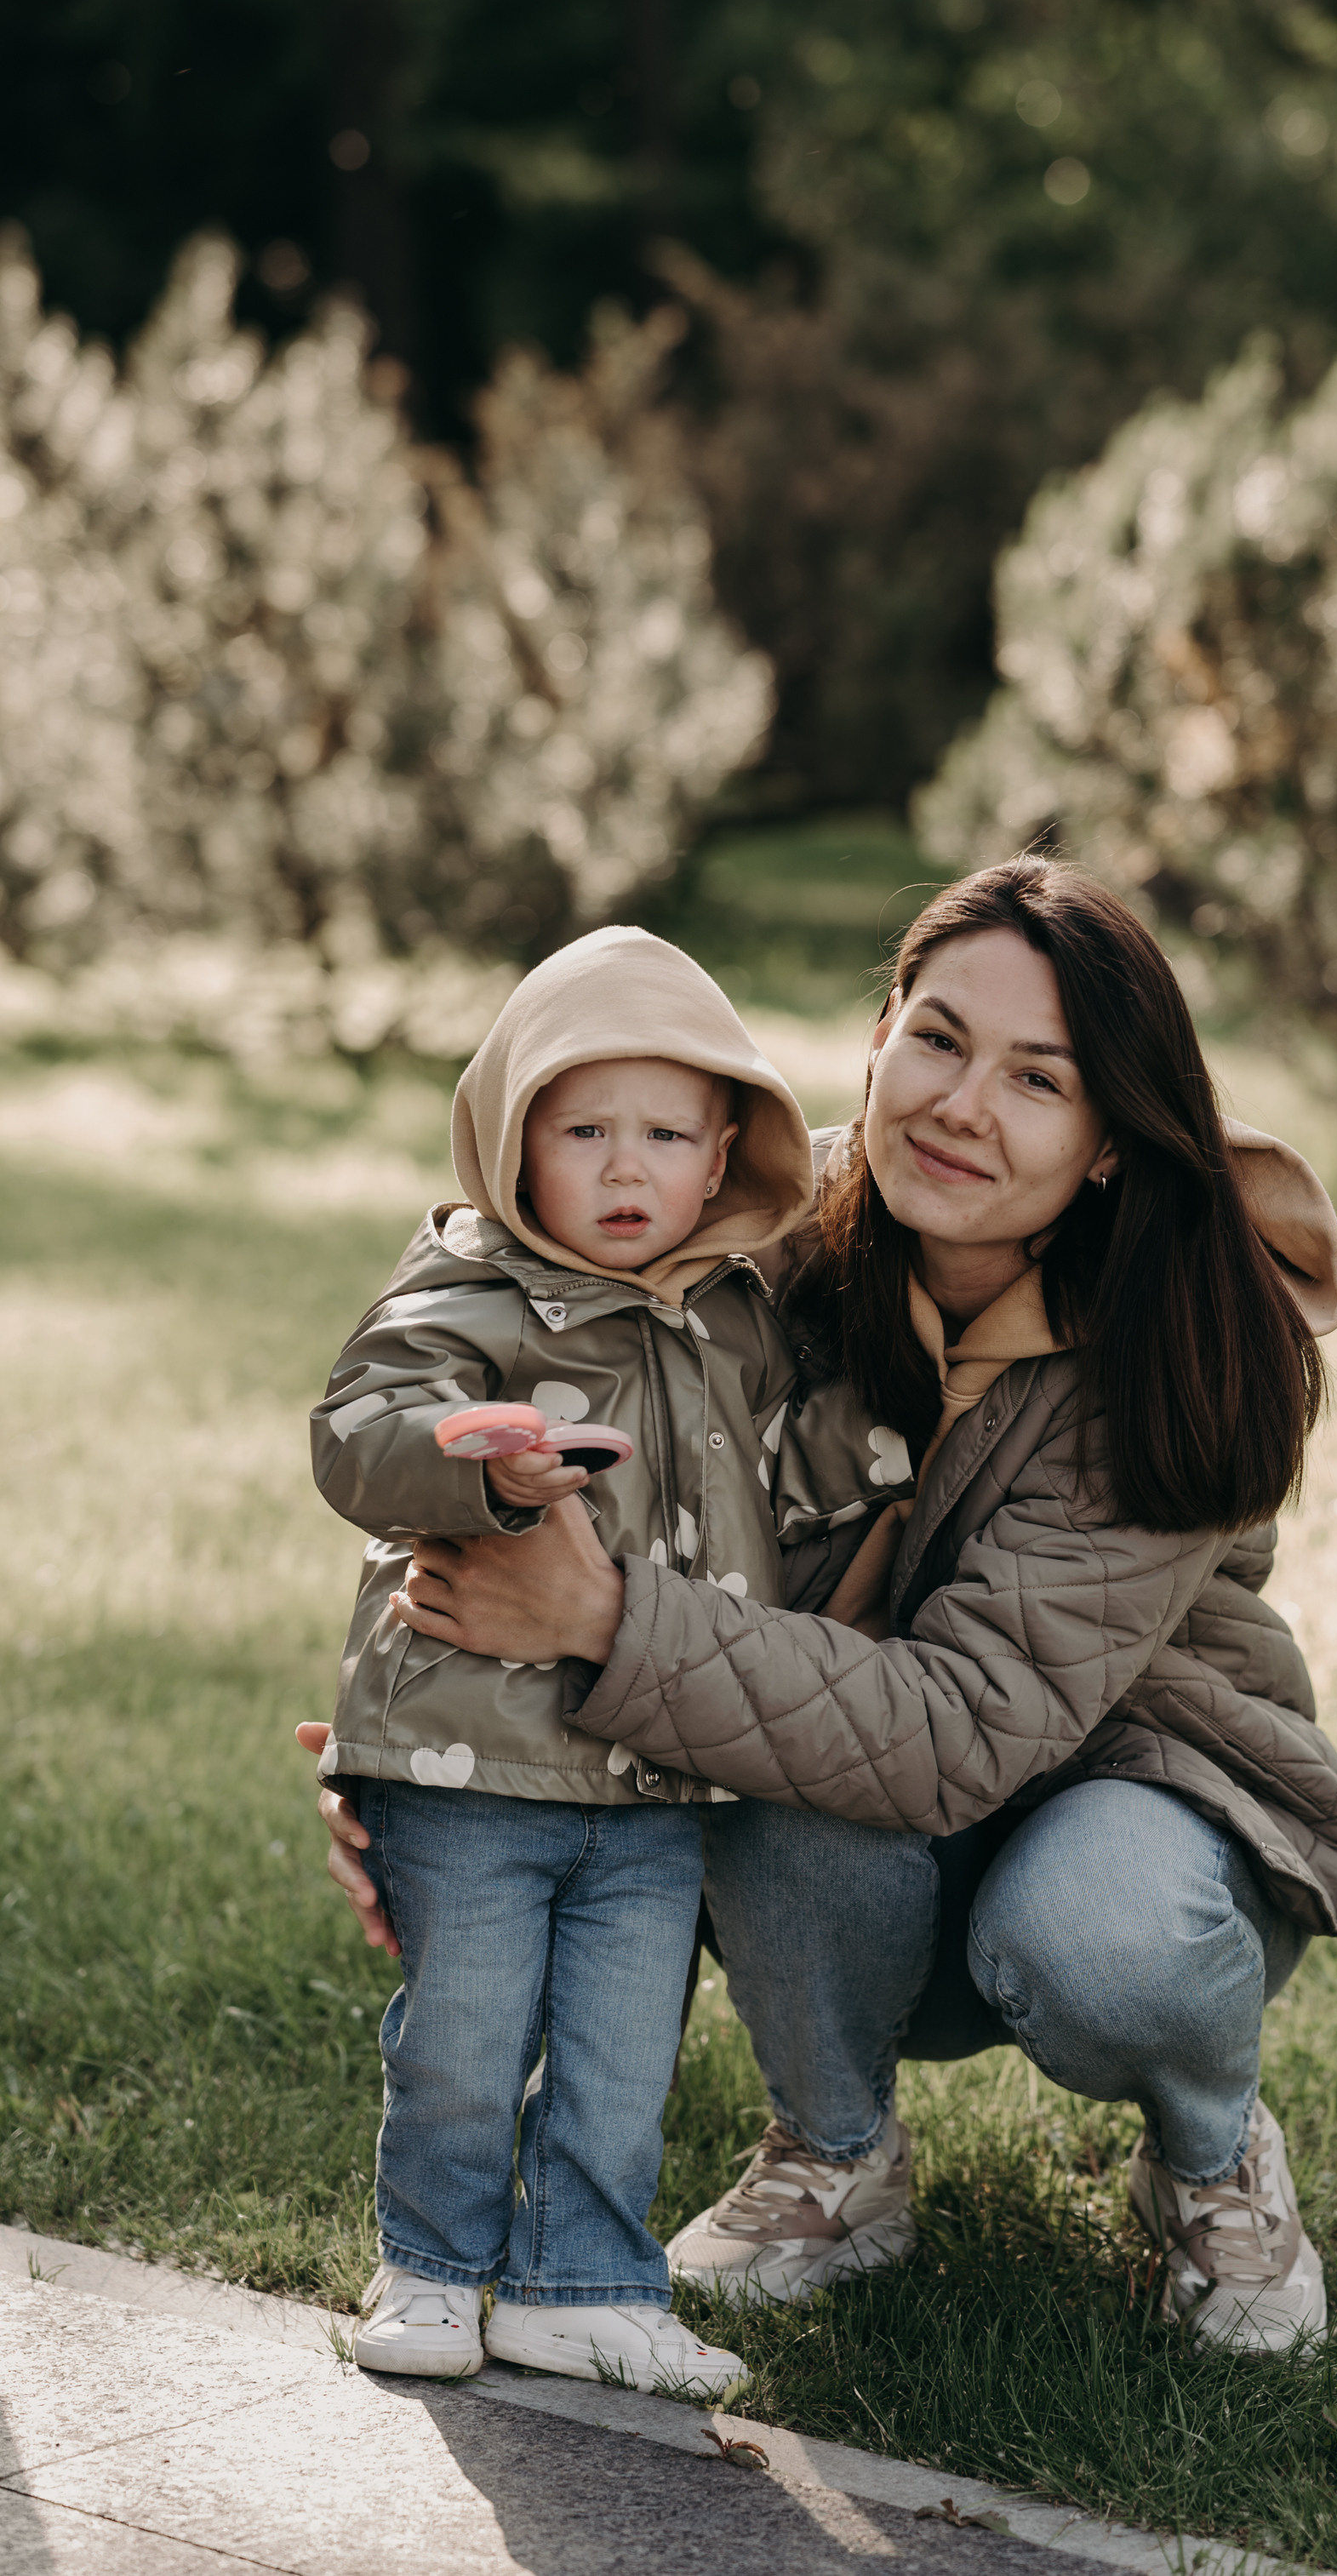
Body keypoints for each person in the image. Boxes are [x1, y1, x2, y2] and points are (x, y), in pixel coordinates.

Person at [312, 860, 1337, 2356]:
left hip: (1129, 1796)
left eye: (1037, 1077)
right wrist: (425, 1766)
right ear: (877, 1036)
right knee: (768, 1751)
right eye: (937, 1039)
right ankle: (836, 2153)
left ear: (1102, 1145)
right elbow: (494, 1424)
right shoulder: (739, 1241)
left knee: (1098, 1932)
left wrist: (605, 1620)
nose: (960, 1104)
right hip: (861, 1827)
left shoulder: (1175, 1337)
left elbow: (951, 1728)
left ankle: (1212, 2160)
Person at [310, 924, 885, 2391]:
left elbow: (788, 1468)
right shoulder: (470, 1288)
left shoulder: (737, 1315)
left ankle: (581, 2281)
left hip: (653, 1771)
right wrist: (471, 1463)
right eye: (583, 1131)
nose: (625, 1171)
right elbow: (355, 1430)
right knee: (465, 2031)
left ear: (721, 1158)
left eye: (664, 1135)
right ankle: (433, 2268)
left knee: (624, 2053)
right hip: (472, 1753)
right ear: (514, 1140)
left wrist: (884, 1439)